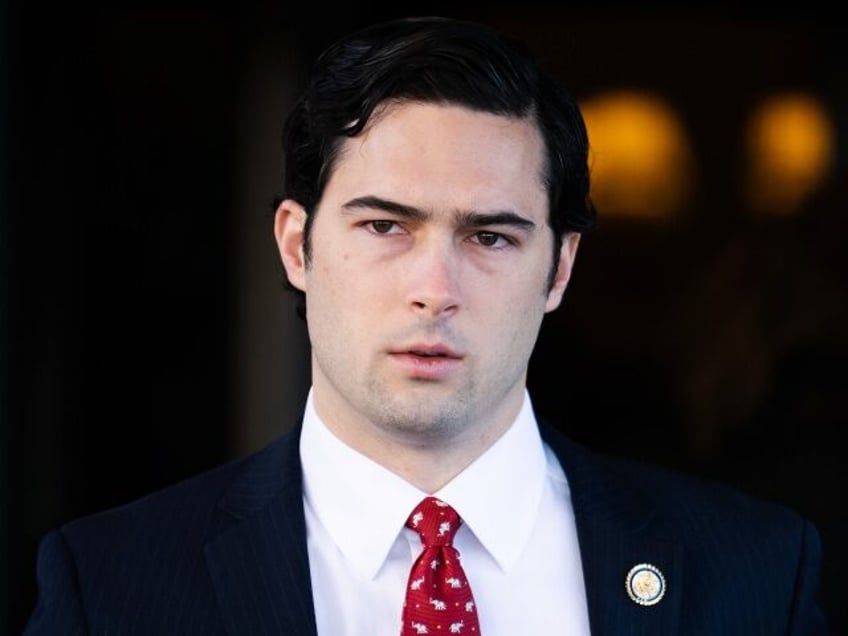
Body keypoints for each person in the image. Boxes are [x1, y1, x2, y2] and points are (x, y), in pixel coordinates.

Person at [23, 15, 828, 635]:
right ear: (298, 246)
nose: (434, 288)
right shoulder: (111, 585)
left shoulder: (754, 572)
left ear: (560, 268)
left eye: (489, 237)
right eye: (385, 227)